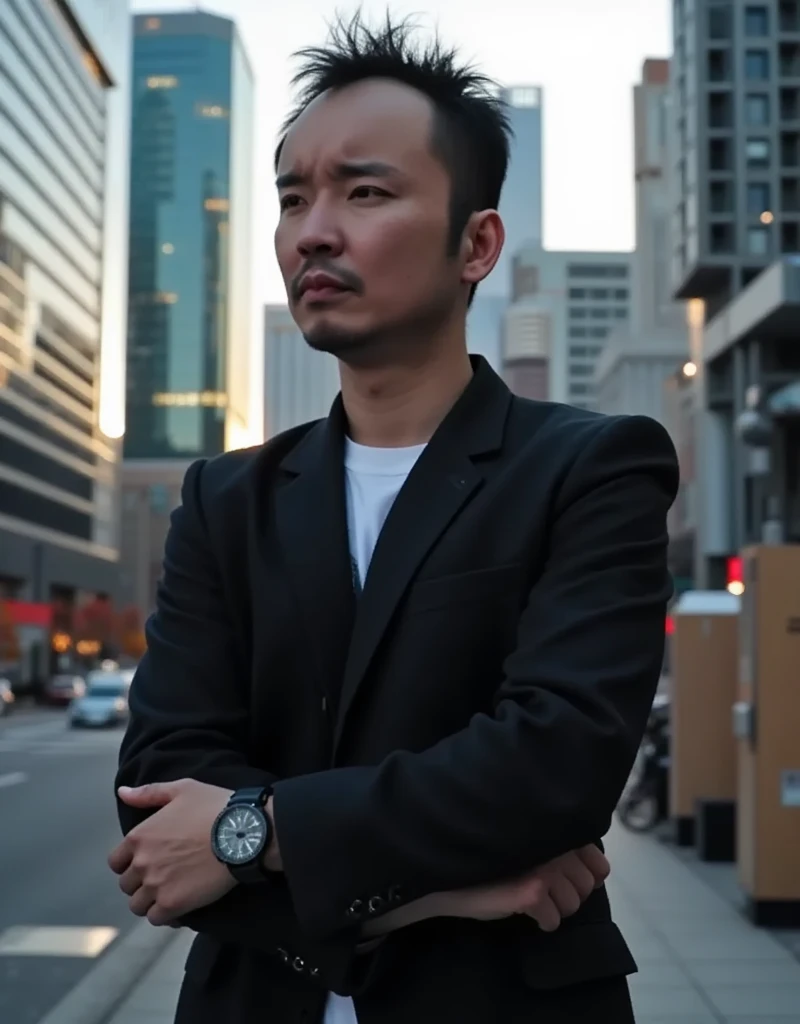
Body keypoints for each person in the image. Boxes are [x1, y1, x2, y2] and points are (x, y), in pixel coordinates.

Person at [109, 13, 679, 1024]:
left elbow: (552, 767)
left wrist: (249, 833)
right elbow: (157, 806)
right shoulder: (223, 500)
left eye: (364, 191)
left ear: (476, 242)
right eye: (292, 198)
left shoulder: (589, 467)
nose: (312, 229)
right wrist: (444, 891)